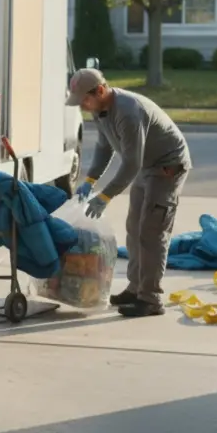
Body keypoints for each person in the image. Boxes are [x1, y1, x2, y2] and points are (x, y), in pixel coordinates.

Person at [66, 68, 191, 317]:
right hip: (147, 167)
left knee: (151, 233)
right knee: (134, 229)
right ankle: (136, 290)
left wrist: (106, 196)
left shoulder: (128, 112)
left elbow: (131, 163)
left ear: (100, 90)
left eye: (85, 100)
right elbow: (105, 147)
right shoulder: (100, 111)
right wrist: (91, 179)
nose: (83, 106)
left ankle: (151, 299)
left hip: (167, 168)